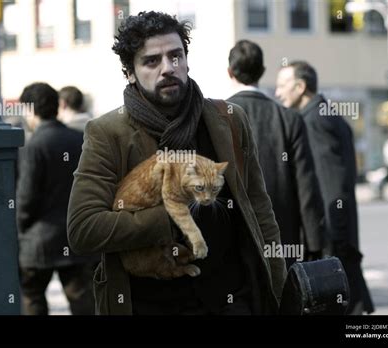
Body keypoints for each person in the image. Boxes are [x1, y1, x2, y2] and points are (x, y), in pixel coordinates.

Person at [67, 11, 286, 315]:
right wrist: (170, 217)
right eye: (151, 61)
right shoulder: (108, 132)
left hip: (233, 300)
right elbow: (83, 229)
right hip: (150, 304)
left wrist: (279, 287)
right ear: (130, 72)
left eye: (175, 56)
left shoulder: (228, 119)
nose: (168, 68)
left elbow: (259, 209)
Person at [275, 61, 374, 314]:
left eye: (282, 85)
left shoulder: (314, 121)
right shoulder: (325, 114)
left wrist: (328, 242)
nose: (278, 93)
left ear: (300, 86)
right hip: (339, 234)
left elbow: (331, 184)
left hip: (333, 236)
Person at [226, 40, 325, 268]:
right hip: (282, 239)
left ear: (229, 72)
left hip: (232, 239)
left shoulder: (216, 117)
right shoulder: (289, 119)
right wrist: (313, 244)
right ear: (262, 72)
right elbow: (306, 187)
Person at [17, 82, 95, 315]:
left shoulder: (34, 145)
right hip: (76, 237)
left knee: (32, 298)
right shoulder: (79, 139)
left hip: (39, 240)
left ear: (31, 110)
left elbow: (26, 197)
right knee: (83, 302)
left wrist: (21, 227)